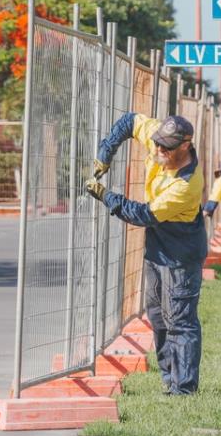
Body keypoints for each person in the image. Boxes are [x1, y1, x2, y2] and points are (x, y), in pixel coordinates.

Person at [85, 111, 206, 394]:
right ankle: (168, 378)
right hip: (157, 245)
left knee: (180, 319)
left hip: (180, 251)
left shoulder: (185, 185)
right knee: (158, 315)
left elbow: (142, 214)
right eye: (157, 143)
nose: (159, 150)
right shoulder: (159, 138)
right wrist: (106, 151)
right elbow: (130, 121)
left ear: (185, 146)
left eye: (167, 147)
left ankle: (184, 388)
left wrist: (106, 196)